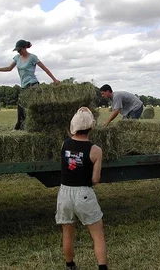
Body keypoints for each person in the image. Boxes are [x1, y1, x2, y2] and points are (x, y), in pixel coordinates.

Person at [56, 107, 108, 270]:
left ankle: (70, 266)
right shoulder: (96, 150)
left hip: (64, 193)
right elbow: (95, 179)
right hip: (83, 193)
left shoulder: (65, 144)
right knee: (97, 235)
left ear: (74, 126)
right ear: (91, 127)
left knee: (68, 233)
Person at [0, 39, 60, 130]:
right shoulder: (17, 58)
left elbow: (44, 68)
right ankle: (20, 127)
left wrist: (54, 79)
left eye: (19, 49)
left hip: (33, 85)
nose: (18, 51)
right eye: (17, 50)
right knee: (21, 107)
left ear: (24, 48)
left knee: (32, 107)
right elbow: (9, 68)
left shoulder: (32, 57)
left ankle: (35, 126)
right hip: (23, 86)